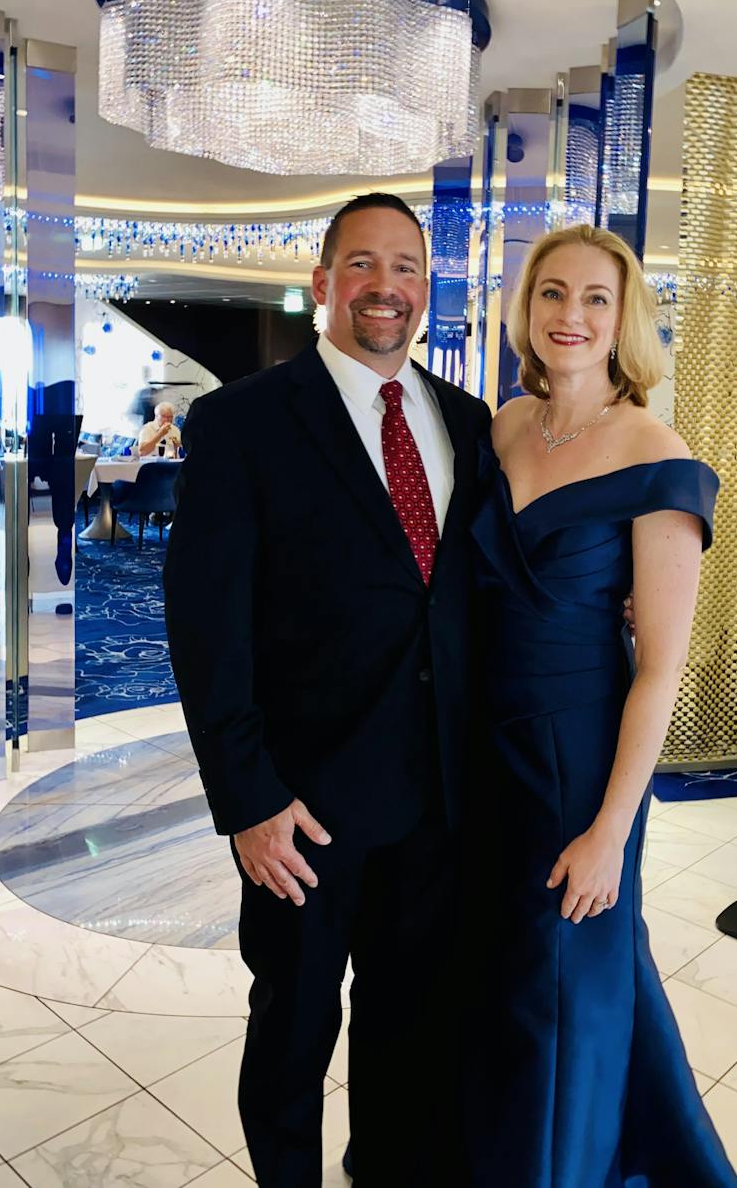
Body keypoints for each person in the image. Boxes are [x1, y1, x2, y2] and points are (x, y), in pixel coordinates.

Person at [163, 193, 489, 1188]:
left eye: (405, 267)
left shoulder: (469, 423)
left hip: (435, 807)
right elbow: (206, 628)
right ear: (322, 282)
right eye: (362, 264)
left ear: (426, 288)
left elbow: (481, 592)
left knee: (409, 1026)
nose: (385, 287)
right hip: (302, 810)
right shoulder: (242, 422)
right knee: (293, 1032)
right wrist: (248, 800)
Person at [467, 224, 737, 1187]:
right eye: (553, 293)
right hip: (484, 750)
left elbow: (661, 669)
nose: (572, 315)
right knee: (516, 973)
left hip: (579, 759)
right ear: (527, 309)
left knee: (565, 981)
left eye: (597, 297)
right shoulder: (504, 427)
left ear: (624, 318)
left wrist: (610, 831)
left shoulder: (655, 453)